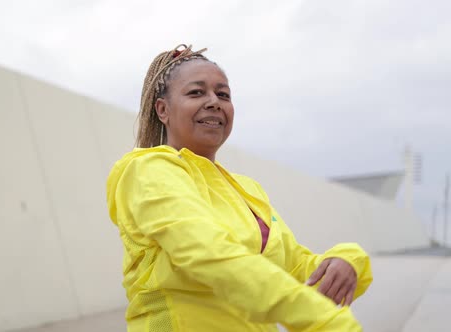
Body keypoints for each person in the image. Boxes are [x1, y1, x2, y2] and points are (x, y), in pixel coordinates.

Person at [106, 44, 373, 331]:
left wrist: (347, 260)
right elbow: (211, 255)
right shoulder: (147, 170)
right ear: (163, 109)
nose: (214, 102)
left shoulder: (247, 190)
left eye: (223, 94)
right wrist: (323, 320)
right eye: (197, 92)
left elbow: (294, 268)